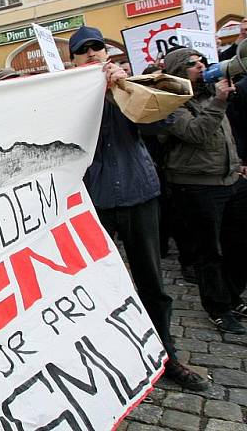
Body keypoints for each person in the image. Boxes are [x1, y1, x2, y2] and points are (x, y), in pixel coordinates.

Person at [69, 26, 210, 390]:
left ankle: (168, 358)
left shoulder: (130, 87)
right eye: (83, 51)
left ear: (107, 55)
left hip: (138, 195)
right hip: (94, 204)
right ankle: (112, 359)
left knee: (152, 282)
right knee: (96, 287)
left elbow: (162, 123)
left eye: (97, 48)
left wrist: (122, 89)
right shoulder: (66, 97)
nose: (91, 54)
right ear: (72, 61)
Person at [162, 48, 247, 335]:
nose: (201, 67)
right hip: (197, 186)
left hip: (230, 179)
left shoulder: (211, 95)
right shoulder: (171, 103)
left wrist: (237, 163)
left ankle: (233, 297)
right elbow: (196, 133)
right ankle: (218, 308)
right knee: (209, 252)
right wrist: (219, 101)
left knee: (239, 245)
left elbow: (226, 137)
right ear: (177, 71)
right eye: (192, 64)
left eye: (201, 62)